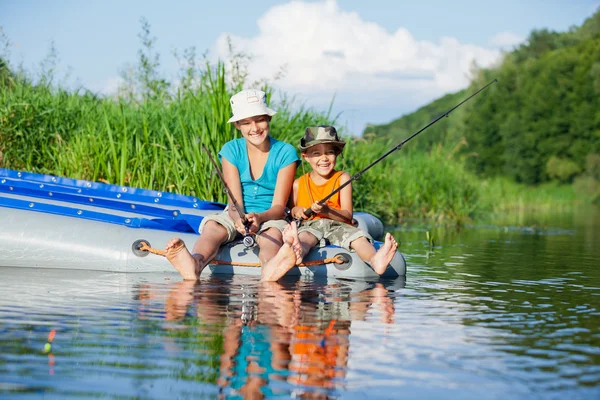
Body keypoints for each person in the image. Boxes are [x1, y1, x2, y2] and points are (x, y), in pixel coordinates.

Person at [164, 89, 299, 281]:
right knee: (213, 227)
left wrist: (259, 218)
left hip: (270, 216)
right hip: (236, 212)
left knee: (273, 236)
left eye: (260, 119)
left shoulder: (286, 152)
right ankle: (195, 262)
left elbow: (279, 207)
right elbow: (234, 200)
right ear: (237, 125)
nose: (255, 128)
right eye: (246, 122)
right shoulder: (230, 150)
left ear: (269, 119)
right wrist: (240, 220)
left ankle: (270, 268)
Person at [263, 126, 398, 281]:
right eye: (317, 153)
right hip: (310, 226)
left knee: (358, 238)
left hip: (338, 225)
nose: (324, 158)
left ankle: (375, 260)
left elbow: (347, 216)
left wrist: (327, 210)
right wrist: (297, 210)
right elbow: (292, 212)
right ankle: (296, 252)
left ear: (337, 154)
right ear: (306, 156)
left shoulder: (342, 178)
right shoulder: (298, 184)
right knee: (305, 237)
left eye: (329, 152)